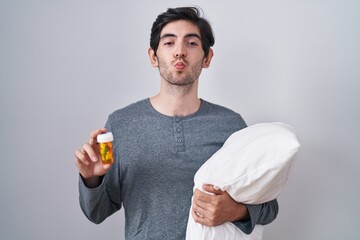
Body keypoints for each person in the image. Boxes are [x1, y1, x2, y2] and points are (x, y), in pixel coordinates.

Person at [75, 7, 278, 240]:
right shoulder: (121, 124)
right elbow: (96, 212)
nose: (179, 51)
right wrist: (92, 180)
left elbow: (269, 207)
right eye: (169, 43)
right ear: (153, 56)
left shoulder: (231, 125)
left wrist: (237, 211)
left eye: (191, 43)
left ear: (207, 57)